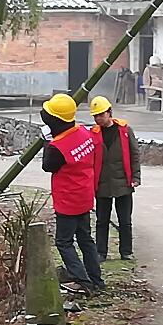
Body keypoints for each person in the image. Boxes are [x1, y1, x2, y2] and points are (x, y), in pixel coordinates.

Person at [40, 93, 104, 294]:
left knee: (64, 242)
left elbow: (47, 166)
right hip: (84, 196)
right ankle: (96, 279)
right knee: (85, 239)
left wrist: (46, 142)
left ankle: (81, 280)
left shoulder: (58, 147)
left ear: (55, 121)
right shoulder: (84, 133)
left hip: (68, 201)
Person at [89, 96, 141, 261]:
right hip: (102, 183)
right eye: (95, 116)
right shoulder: (93, 134)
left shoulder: (125, 131)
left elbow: (134, 154)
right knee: (101, 221)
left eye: (101, 114)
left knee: (125, 220)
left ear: (109, 113)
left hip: (123, 182)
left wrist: (136, 177)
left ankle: (126, 251)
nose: (98, 118)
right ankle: (100, 252)